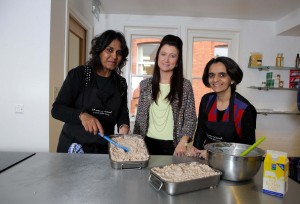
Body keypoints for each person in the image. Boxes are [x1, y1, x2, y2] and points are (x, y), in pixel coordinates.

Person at [52, 30, 130, 154]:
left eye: (119, 53)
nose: (114, 56)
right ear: (99, 51)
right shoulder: (80, 74)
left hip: (103, 149)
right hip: (74, 147)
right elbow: (57, 110)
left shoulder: (120, 83)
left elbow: (122, 112)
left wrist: (123, 126)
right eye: (109, 50)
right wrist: (82, 115)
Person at [133, 34, 197, 156]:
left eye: (172, 56)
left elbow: (190, 118)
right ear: (157, 57)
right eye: (163, 54)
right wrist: (136, 143)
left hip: (174, 146)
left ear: (177, 61)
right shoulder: (145, 85)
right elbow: (140, 118)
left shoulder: (185, 86)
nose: (166, 60)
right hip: (146, 144)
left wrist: (183, 143)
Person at [190, 56, 257, 158]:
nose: (215, 79)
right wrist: (196, 150)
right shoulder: (206, 100)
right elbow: (201, 130)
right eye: (211, 75)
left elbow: (248, 149)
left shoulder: (245, 109)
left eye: (222, 75)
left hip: (232, 164)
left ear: (232, 79)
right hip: (205, 159)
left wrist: (213, 155)